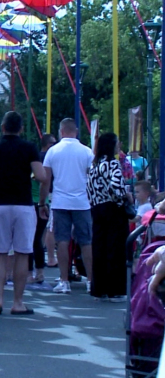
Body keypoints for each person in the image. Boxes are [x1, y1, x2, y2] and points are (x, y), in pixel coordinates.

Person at [0, 111, 46, 315]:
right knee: (22, 253)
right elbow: (41, 175)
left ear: (3, 127)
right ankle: (17, 302)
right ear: (21, 129)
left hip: (0, 203)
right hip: (24, 204)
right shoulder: (29, 147)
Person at [39, 119, 94, 295]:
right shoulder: (87, 151)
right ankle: (91, 281)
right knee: (86, 241)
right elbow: (91, 178)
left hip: (60, 201)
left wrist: (42, 202)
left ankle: (64, 281)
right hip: (82, 202)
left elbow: (46, 180)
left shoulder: (52, 152)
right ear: (76, 131)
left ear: (61, 131)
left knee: (62, 241)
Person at [86, 132, 131, 301]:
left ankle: (100, 288)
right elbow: (116, 186)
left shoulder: (94, 165)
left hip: (97, 208)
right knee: (116, 249)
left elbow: (89, 188)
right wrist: (125, 196)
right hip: (113, 209)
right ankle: (116, 289)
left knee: (99, 248)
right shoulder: (113, 164)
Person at [37, 134, 59, 269]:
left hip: (48, 193)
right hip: (49, 193)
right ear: (47, 144)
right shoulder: (45, 157)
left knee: (46, 227)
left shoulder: (46, 156)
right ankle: (50, 257)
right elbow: (44, 180)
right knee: (49, 226)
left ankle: (47, 251)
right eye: (53, 143)